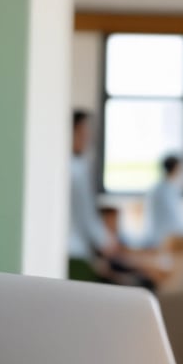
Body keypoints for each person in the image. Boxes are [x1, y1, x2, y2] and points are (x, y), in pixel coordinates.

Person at [68, 109, 116, 280]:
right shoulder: (75, 169)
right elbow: (85, 214)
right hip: (74, 253)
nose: (87, 137)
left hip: (77, 251)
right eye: (83, 131)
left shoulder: (77, 165)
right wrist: (105, 241)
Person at [143, 154, 183, 248]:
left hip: (160, 236)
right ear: (176, 168)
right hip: (163, 239)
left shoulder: (160, 188)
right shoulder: (166, 190)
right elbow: (174, 217)